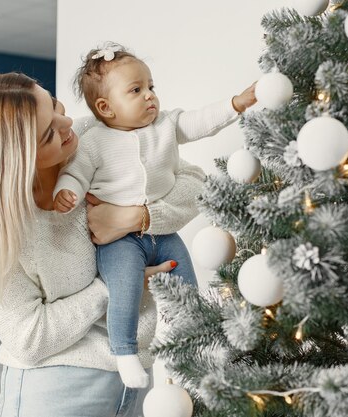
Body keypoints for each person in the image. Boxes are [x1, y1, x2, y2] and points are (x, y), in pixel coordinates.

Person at [0, 72, 207, 417]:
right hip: (56, 392)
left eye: (54, 105)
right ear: (16, 160)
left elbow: (194, 182)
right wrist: (118, 283)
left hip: (136, 378)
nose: (68, 122)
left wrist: (136, 216)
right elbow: (27, 338)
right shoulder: (3, 231)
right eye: (49, 133)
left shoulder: (95, 138)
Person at [53, 43, 257, 388]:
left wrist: (236, 103)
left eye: (151, 87)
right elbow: (76, 173)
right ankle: (125, 351)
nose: (150, 96)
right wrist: (65, 190)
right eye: (136, 90)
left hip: (164, 234)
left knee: (186, 286)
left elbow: (198, 122)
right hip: (119, 242)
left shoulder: (164, 125)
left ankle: (191, 345)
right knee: (125, 289)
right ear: (106, 107)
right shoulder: (94, 142)